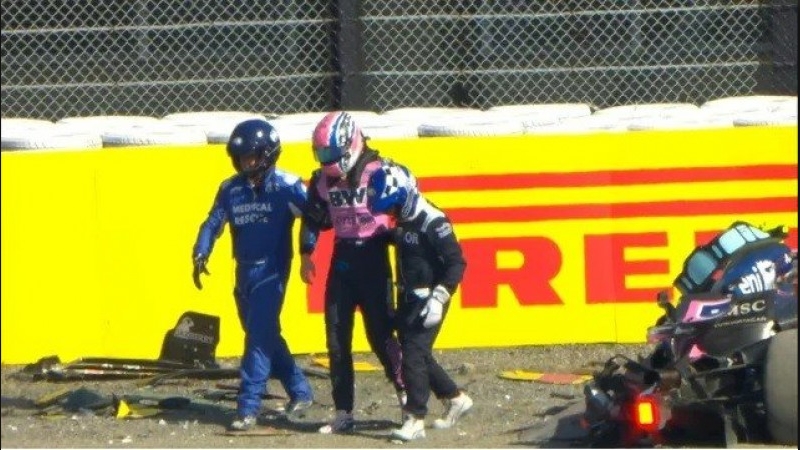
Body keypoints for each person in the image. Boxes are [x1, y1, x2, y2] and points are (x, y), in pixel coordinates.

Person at [191, 119, 316, 431]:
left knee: (257, 340)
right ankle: (301, 391)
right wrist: (201, 250)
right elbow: (213, 222)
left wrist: (306, 252)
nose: (246, 163)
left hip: (272, 271)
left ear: (268, 154)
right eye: (241, 158)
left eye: (252, 157)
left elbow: (315, 215)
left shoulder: (288, 185)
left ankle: (248, 407)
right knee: (265, 334)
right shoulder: (230, 189)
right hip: (243, 272)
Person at [300, 111, 405, 434]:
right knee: (336, 339)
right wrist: (305, 254)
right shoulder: (321, 180)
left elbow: (406, 208)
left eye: (332, 153)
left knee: (381, 335)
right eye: (322, 154)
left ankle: (407, 395)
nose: (327, 161)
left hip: (374, 257)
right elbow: (312, 218)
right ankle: (343, 411)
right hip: (342, 260)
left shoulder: (379, 170)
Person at [365, 162, 473, 442]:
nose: (391, 213)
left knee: (412, 353)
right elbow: (407, 241)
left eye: (392, 207)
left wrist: (439, 297)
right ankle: (455, 398)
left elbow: (456, 263)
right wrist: (381, 236)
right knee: (418, 353)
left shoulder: (433, 221)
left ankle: (415, 418)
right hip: (408, 296)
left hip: (431, 297)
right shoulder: (404, 219)